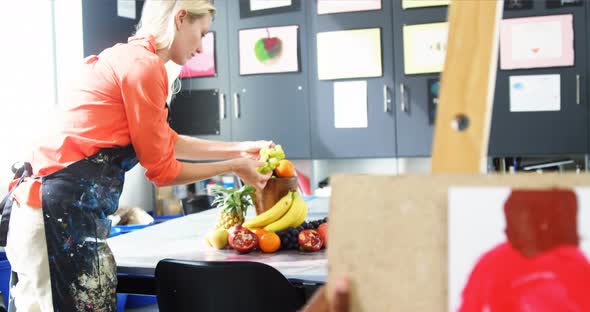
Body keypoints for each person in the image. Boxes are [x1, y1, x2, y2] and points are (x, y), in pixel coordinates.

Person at [2, 1, 272, 310]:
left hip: (45, 212)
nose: (201, 46)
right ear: (181, 18)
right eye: (201, 33)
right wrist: (235, 166)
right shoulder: (144, 66)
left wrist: (240, 148)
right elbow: (163, 171)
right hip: (54, 218)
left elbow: (166, 140)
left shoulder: (124, 57)